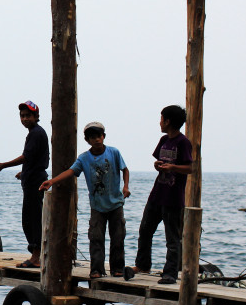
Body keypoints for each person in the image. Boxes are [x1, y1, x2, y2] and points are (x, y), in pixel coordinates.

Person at [40, 121, 130, 279]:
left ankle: (117, 268)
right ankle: (96, 269)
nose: (97, 140)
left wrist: (126, 187)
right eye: (92, 137)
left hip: (116, 204)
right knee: (96, 238)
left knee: (118, 238)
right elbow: (70, 171)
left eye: (99, 136)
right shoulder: (84, 158)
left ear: (104, 137)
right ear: (87, 140)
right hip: (97, 206)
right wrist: (52, 181)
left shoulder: (113, 152)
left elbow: (125, 169)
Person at [134, 105, 194, 285]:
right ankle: (143, 265)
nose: (159, 122)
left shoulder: (183, 142)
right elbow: (158, 161)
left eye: (161, 119)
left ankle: (170, 273)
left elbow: (191, 168)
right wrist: (158, 165)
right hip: (157, 193)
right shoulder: (163, 140)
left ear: (168, 121)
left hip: (173, 198)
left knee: (172, 238)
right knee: (145, 229)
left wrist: (173, 167)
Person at [0, 101, 49, 267]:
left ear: (36, 117)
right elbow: (41, 158)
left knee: (32, 220)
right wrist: (25, 171)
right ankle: (37, 254)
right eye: (22, 116)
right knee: (30, 219)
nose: (24, 119)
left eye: (28, 116)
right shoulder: (35, 133)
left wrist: (3, 165)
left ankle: (36, 257)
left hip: (35, 181)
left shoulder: (36, 133)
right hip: (33, 177)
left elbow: (26, 157)